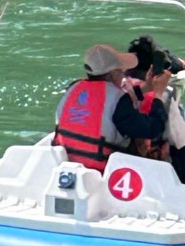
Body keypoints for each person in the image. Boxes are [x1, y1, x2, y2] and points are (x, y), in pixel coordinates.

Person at [108, 48, 185, 192]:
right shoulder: (162, 96)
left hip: (117, 156)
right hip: (149, 156)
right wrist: (158, 93)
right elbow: (164, 132)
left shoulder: (111, 95)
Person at [52, 43, 135, 173]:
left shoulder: (73, 88)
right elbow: (144, 130)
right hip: (102, 169)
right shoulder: (120, 98)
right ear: (112, 74)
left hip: (63, 163)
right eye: (121, 71)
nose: (123, 75)